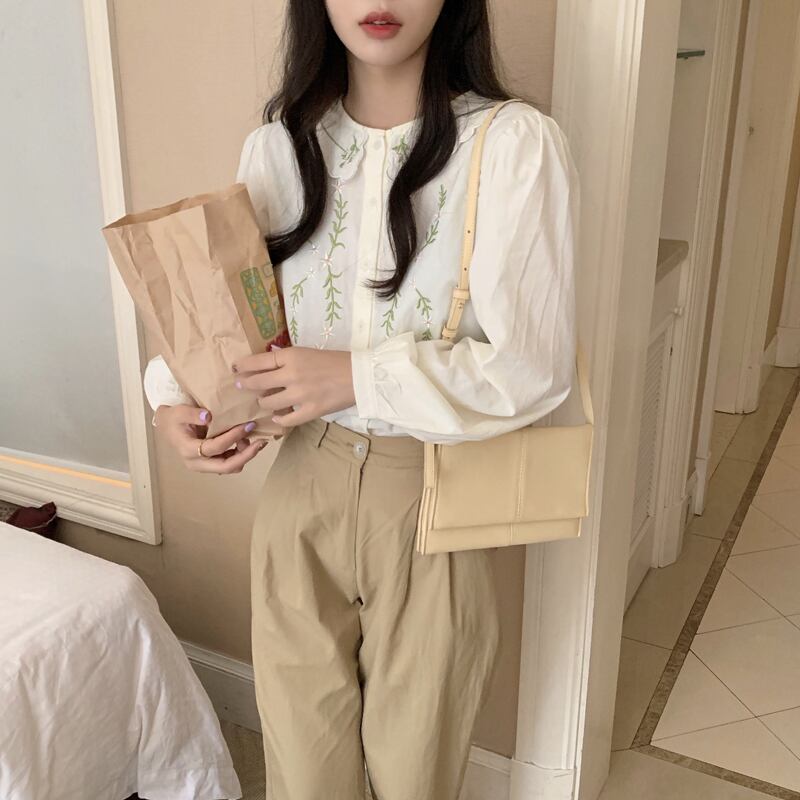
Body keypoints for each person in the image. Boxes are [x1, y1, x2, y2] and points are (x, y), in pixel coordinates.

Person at [144, 1, 579, 797]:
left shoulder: (511, 144)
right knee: (302, 767)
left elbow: (533, 365)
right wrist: (176, 402)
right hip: (300, 486)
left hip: (432, 496)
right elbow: (238, 309)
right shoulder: (282, 145)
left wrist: (355, 377)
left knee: (416, 771)